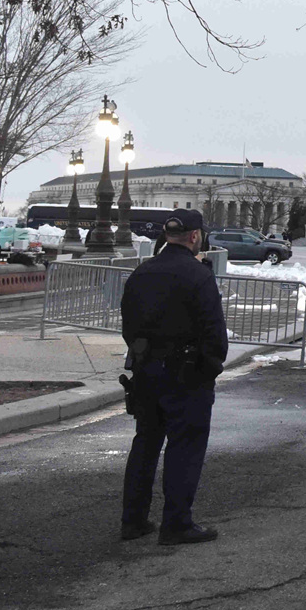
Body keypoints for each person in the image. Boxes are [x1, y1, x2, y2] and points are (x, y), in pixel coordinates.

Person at [119, 208, 228, 545]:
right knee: (185, 448)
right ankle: (176, 522)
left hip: (146, 370)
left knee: (145, 444)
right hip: (187, 373)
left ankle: (133, 520)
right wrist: (210, 368)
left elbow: (128, 323)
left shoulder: (143, 271)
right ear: (196, 236)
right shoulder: (198, 276)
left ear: (168, 235)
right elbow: (214, 331)